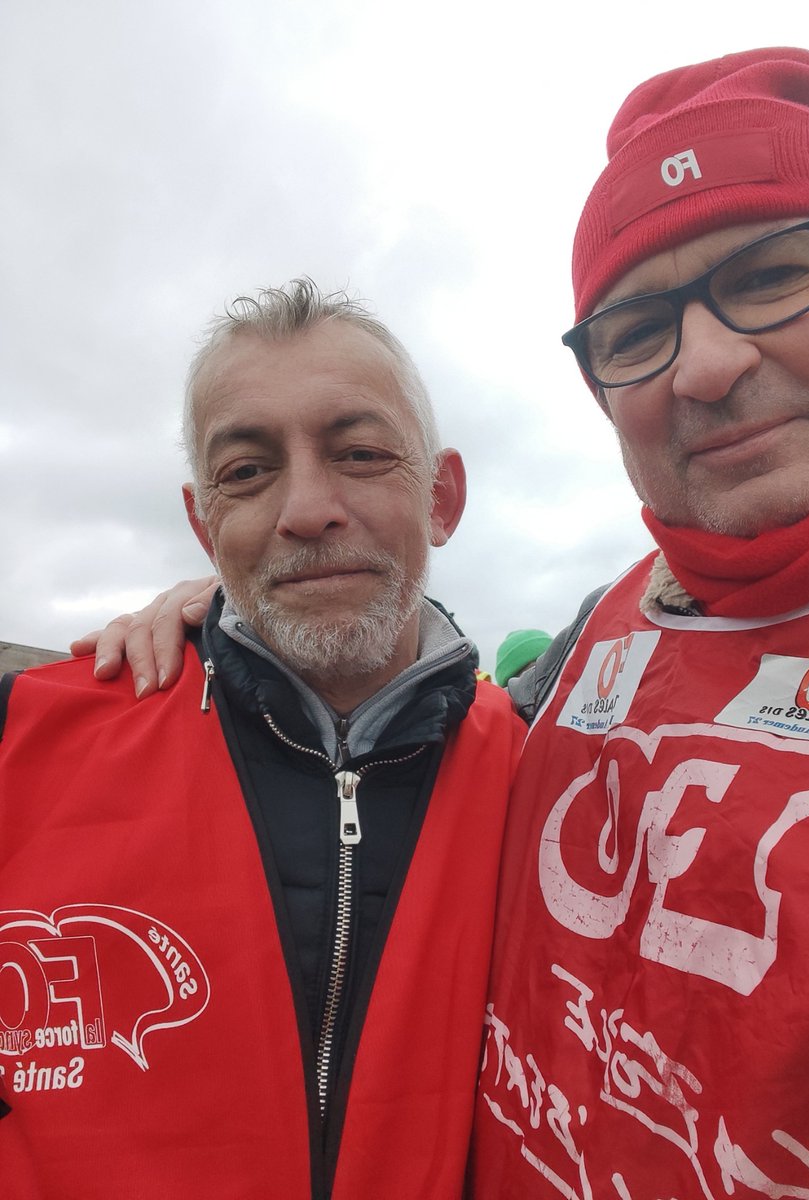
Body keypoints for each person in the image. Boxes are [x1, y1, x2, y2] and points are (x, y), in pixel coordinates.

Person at [69, 44, 809, 1198]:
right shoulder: (595, 642)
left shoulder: (498, 734)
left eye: (769, 274)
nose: (702, 366)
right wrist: (231, 610)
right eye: (634, 331)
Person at [0, 280, 523, 1200]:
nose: (307, 509)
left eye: (359, 453)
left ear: (442, 497)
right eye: (247, 471)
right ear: (206, 527)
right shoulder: (23, 742)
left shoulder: (548, 776)